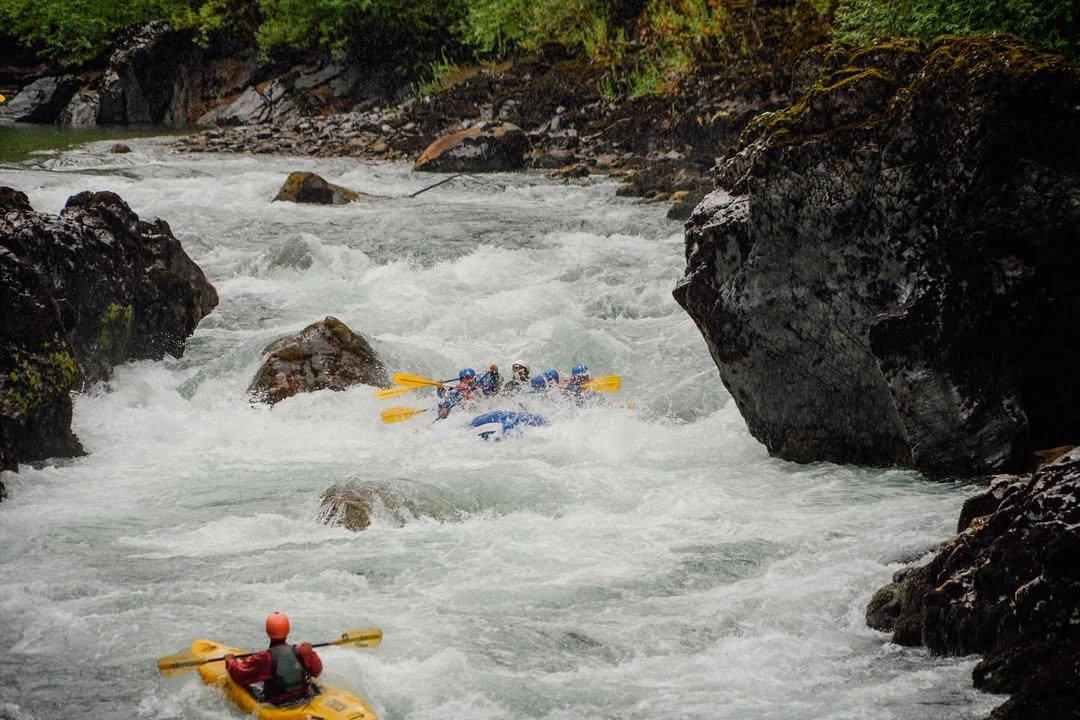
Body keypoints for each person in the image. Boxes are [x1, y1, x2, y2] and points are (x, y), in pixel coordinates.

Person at [224, 612, 323, 706]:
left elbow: (239, 675)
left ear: (268, 632)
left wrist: (230, 661)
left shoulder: (264, 658)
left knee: (253, 684)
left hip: (279, 703)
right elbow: (317, 670)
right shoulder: (302, 651)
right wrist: (310, 651)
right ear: (288, 631)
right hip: (305, 697)